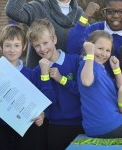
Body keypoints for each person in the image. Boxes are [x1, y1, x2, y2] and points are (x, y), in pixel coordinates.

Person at [5, 0, 85, 69]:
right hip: (38, 78)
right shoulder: (38, 8)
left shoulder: (79, 13)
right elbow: (12, 10)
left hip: (67, 79)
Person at [26, 19, 83, 150]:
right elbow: (49, 101)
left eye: (45, 43)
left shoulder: (74, 61)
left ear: (54, 39)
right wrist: (45, 76)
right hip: (55, 126)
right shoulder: (37, 71)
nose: (42, 49)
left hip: (81, 123)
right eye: (37, 45)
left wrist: (61, 79)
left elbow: (83, 91)